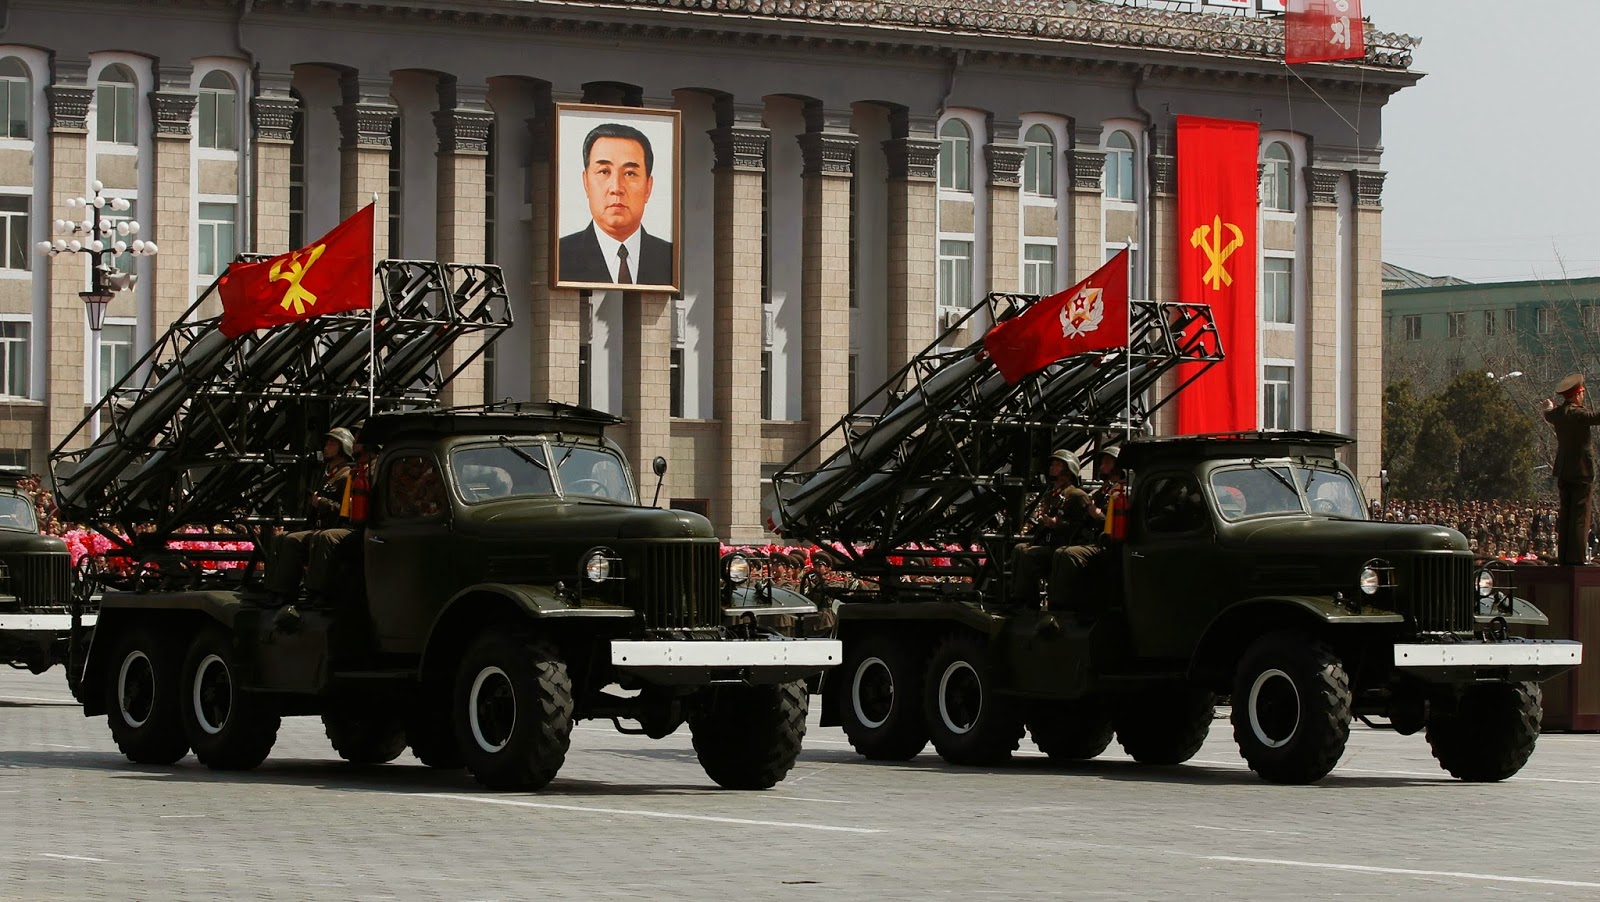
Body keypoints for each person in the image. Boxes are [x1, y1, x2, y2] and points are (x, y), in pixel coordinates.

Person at [558, 122, 674, 286]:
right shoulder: (560, 256)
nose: (617, 188)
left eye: (630, 173)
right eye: (604, 171)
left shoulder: (670, 258)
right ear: (586, 182)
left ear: (648, 187)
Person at [263, 427, 358, 605]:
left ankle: (310, 592)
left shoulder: (346, 476)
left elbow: (347, 510)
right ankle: (275, 589)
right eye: (327, 443)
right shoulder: (327, 475)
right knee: (281, 538)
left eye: (332, 444)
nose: (326, 447)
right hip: (320, 527)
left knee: (294, 540)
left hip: (335, 528)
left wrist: (321, 503)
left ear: (343, 448)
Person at [1012, 449, 1104, 609]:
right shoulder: (1051, 495)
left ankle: (1035, 605)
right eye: (1052, 464)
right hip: (1050, 543)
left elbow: (1081, 526)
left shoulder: (1077, 495)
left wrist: (1057, 523)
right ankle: (1021, 599)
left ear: (1068, 470)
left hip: (1064, 545)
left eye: (1057, 465)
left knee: (1029, 554)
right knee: (1019, 549)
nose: (1052, 468)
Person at [1542, 373, 1600, 565]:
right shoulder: (1578, 414)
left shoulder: (1558, 415)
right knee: (1580, 515)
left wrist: (1549, 407)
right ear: (1577, 394)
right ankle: (1577, 558)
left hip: (1564, 470)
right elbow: (1595, 417)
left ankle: (1564, 556)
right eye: (1582, 393)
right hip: (1582, 471)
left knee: (1566, 513)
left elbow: (1549, 413)